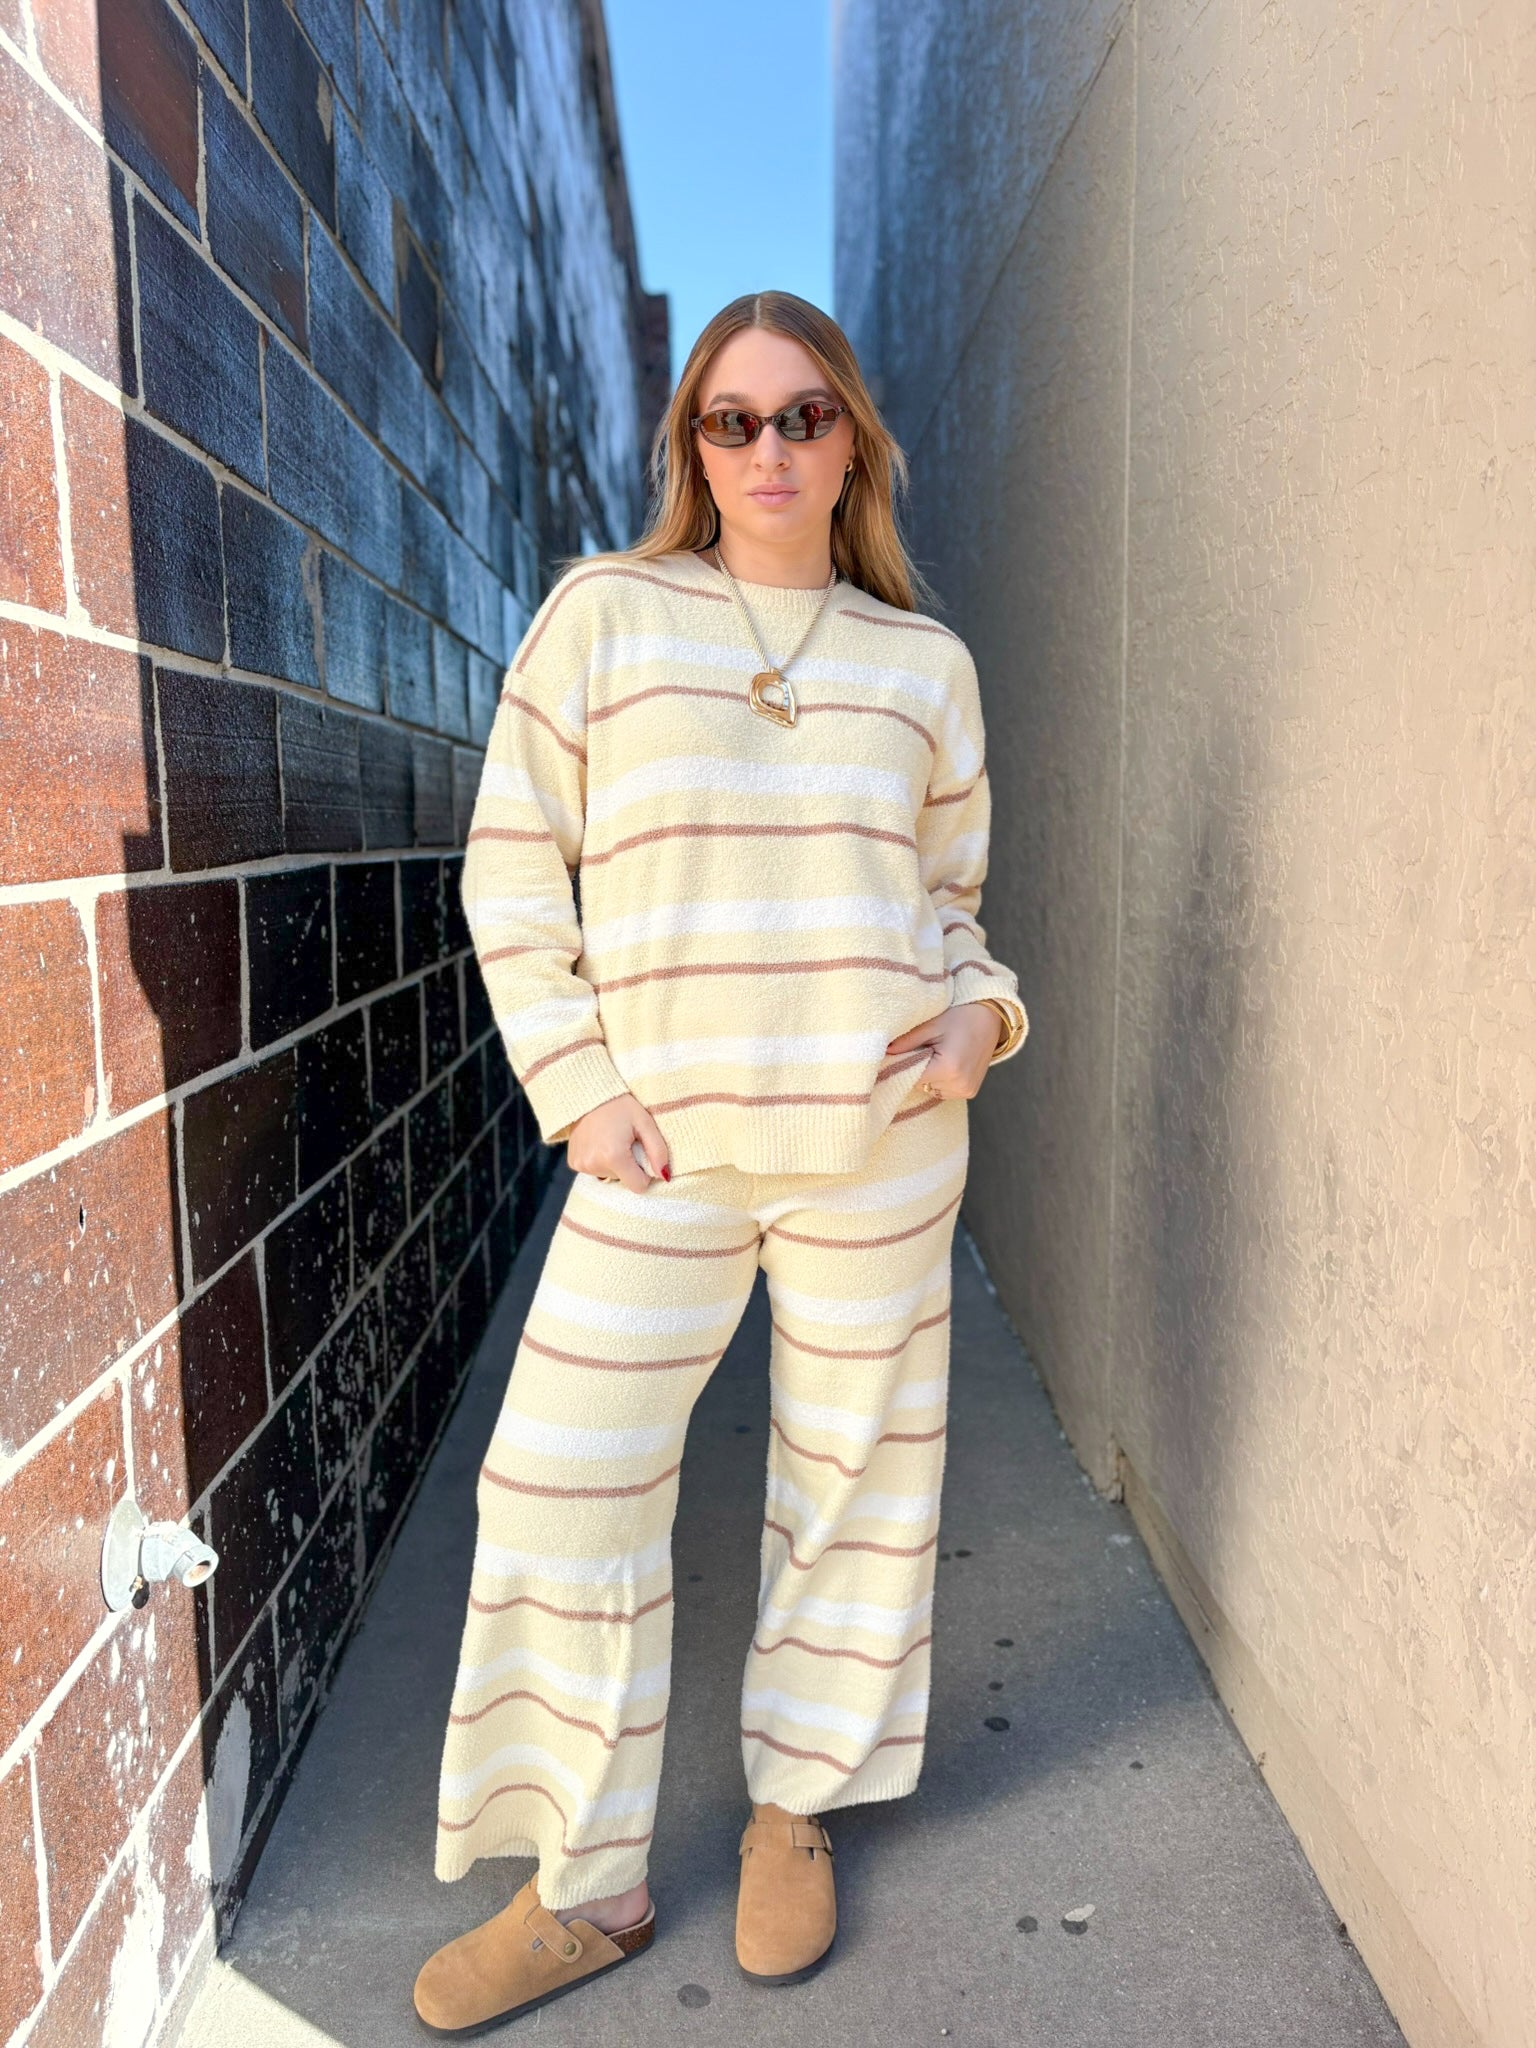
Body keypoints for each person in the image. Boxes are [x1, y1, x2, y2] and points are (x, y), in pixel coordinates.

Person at [411, 290, 1028, 2035]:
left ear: (857, 442)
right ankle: (586, 1880)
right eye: (731, 420)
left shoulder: (925, 666)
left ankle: (796, 1809)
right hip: (659, 1153)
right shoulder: (607, 615)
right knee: (557, 1480)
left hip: (877, 1147)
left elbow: (954, 908)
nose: (769, 450)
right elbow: (513, 873)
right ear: (692, 444)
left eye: (804, 415)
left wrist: (985, 1020)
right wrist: (577, 1087)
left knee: (856, 1481)